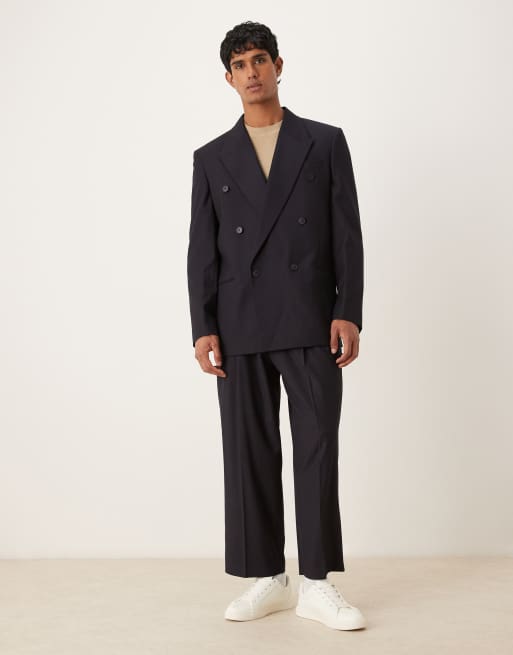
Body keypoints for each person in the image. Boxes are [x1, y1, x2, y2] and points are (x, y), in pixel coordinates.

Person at [187, 21, 366, 631]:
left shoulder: (324, 142)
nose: (252, 72)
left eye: (260, 59)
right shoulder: (211, 158)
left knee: (316, 447)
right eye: (240, 65)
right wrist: (202, 325)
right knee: (248, 451)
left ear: (279, 65)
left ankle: (316, 581)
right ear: (228, 78)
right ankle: (268, 575)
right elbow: (202, 250)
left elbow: (347, 234)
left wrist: (348, 309)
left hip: (311, 316)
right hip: (239, 322)